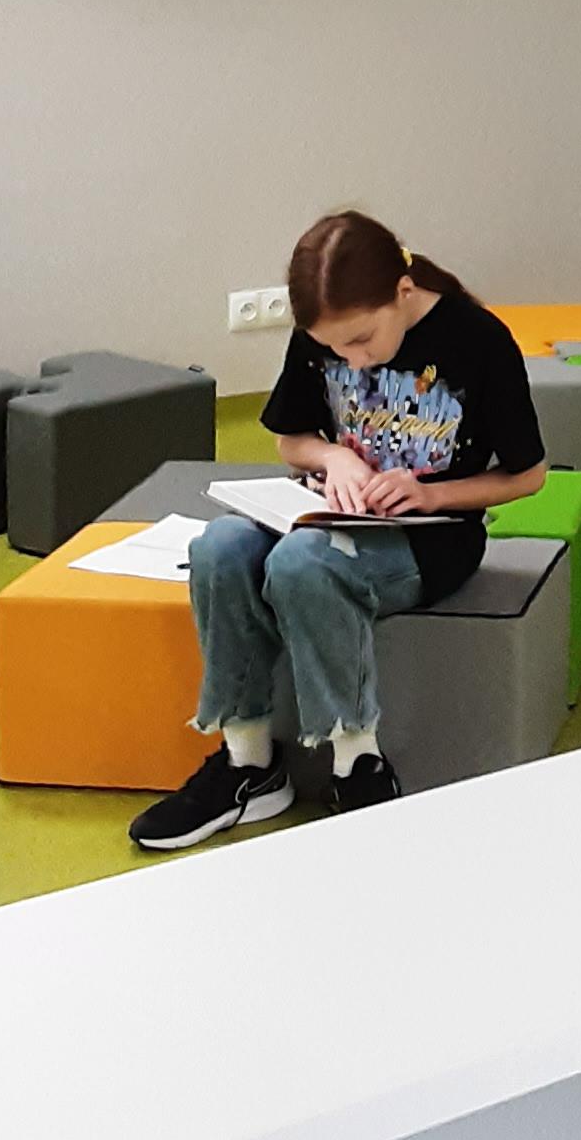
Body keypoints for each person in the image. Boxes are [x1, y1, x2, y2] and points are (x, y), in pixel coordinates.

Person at [129, 210, 548, 852]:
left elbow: (528, 475)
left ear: (402, 293)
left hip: (431, 537)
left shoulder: (478, 340)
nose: (352, 359)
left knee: (301, 563)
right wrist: (335, 458)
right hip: (329, 516)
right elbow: (290, 439)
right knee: (220, 548)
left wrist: (429, 492)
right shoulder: (323, 332)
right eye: (335, 350)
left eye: (362, 341)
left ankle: (358, 765)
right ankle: (248, 765)